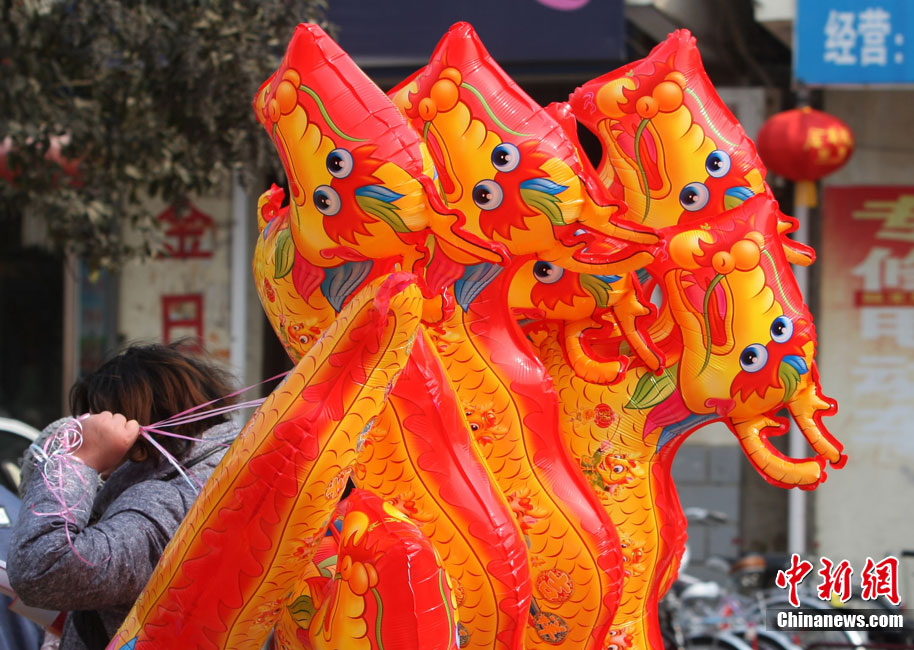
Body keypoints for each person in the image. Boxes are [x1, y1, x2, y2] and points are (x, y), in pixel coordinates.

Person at [8, 342, 240, 650]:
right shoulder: (223, 467)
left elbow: (41, 570)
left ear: (133, 435)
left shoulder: (165, 501)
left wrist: (78, 460)